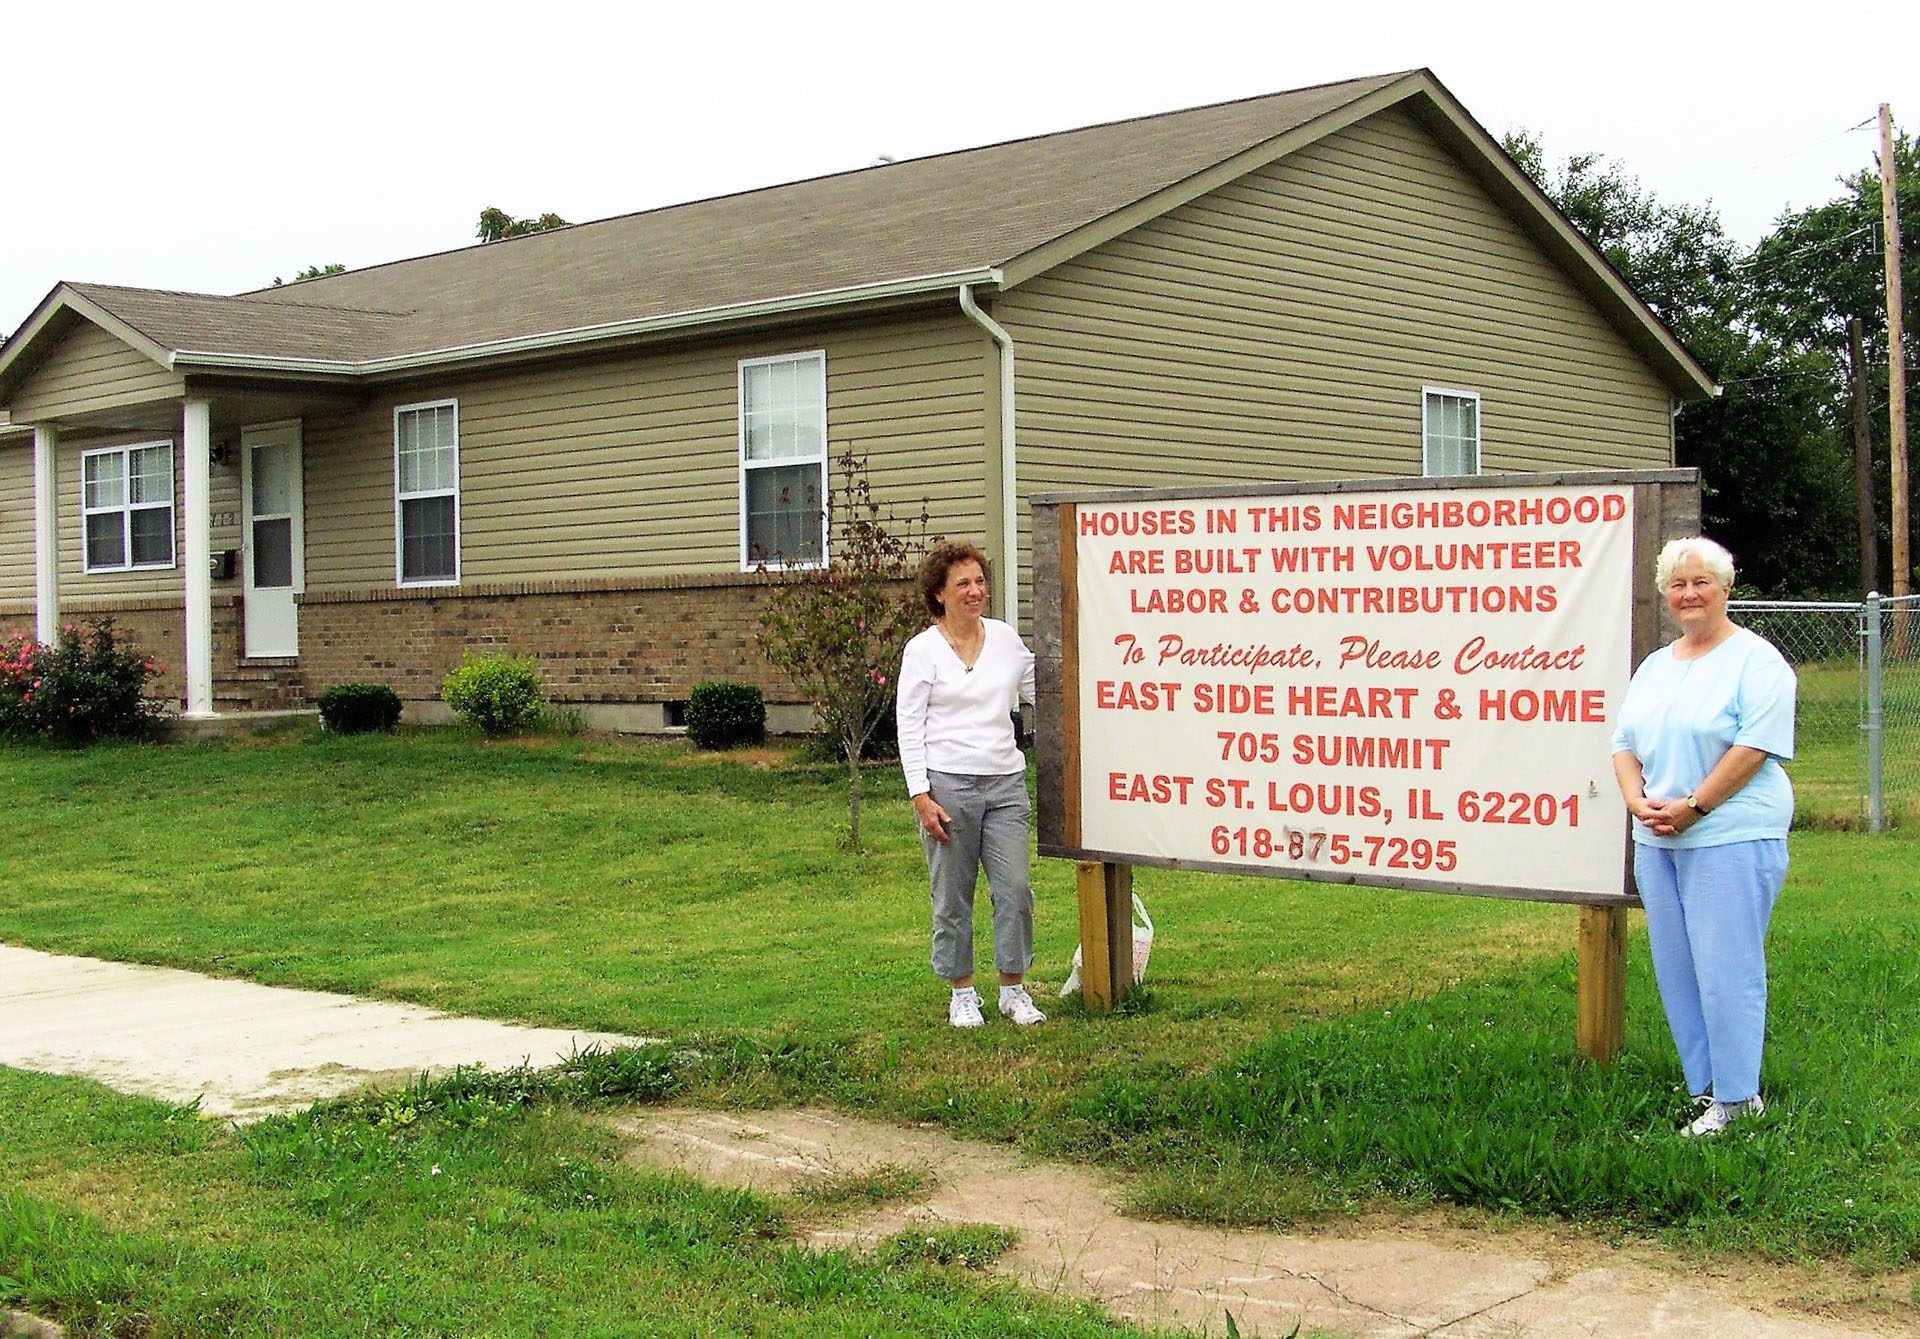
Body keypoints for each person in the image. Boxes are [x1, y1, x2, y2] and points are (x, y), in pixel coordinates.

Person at [1611, 537, 1796, 1137]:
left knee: (1727, 968)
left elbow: (1755, 746)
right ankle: (1706, 1088)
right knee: (1678, 968)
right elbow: (1623, 744)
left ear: (1726, 588)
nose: (1689, 594)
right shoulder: (1657, 664)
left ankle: (1740, 1098)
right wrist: (1638, 801)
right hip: (1659, 838)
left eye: (1702, 582)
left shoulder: (1757, 660)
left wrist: (1695, 805)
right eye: (1677, 584)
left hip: (1730, 834)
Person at [896, 541, 1043, 1028]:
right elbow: (909, 726)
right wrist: (921, 795)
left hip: (1005, 784)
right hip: (948, 788)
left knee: (1015, 889)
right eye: (963, 583)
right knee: (953, 895)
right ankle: (962, 992)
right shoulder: (922, 651)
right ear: (939, 594)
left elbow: (1040, 690)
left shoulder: (1004, 640)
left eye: (980, 581)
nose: (974, 591)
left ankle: (1013, 990)